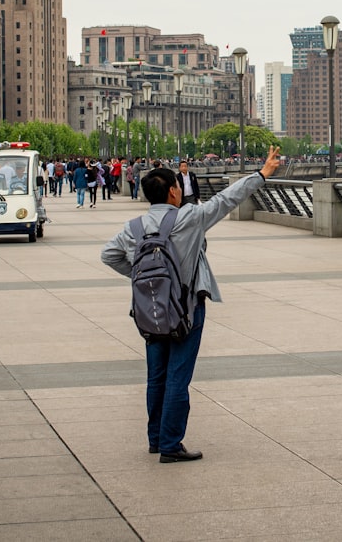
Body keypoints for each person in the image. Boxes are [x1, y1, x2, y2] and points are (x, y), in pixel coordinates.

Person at [100, 146, 283, 463]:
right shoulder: (190, 217)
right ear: (173, 191)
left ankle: (156, 439)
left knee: (156, 376)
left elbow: (108, 255)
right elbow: (226, 200)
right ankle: (171, 445)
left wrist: (142, 277)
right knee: (177, 377)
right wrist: (262, 174)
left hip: (150, 309)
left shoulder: (133, 229)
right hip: (185, 308)